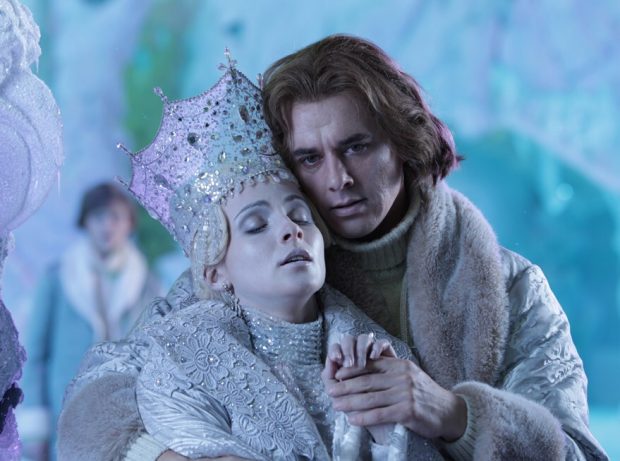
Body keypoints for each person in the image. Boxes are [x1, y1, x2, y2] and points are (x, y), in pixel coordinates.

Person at [58, 36, 608, 460]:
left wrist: (453, 415)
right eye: (309, 158)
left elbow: (580, 453)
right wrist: (164, 456)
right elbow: (99, 394)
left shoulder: (512, 288)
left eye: (357, 147)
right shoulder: (252, 271)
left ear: (404, 141)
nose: (338, 179)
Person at [58, 61, 437, 460]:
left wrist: (385, 430)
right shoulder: (180, 354)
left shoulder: (373, 348)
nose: (290, 230)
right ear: (214, 272)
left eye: (301, 215)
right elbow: (96, 407)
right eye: (256, 226)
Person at [18, 182, 160, 461]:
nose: (107, 226)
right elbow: (36, 355)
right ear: (85, 221)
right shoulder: (59, 278)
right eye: (98, 217)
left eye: (116, 217)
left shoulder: (146, 282)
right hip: (67, 411)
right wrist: (37, 425)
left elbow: (155, 353)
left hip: (125, 414)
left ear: (129, 224)